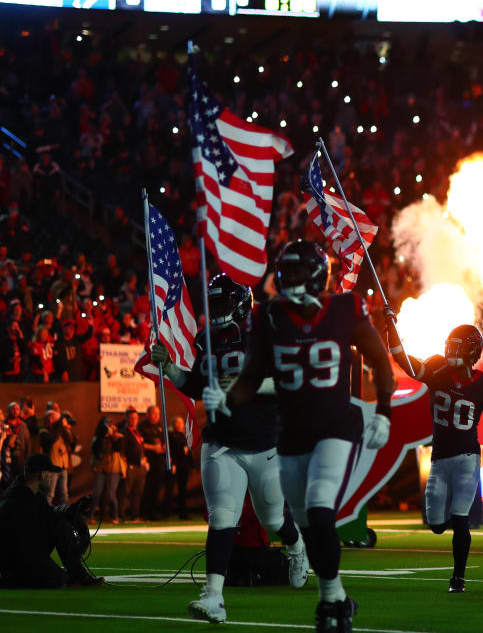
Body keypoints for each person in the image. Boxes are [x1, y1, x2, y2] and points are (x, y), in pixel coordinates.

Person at [221, 241, 396, 633]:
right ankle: (334, 599)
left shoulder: (344, 308)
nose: (291, 282)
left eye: (299, 274)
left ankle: (330, 602)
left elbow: (379, 358)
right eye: (287, 274)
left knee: (320, 509)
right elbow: (251, 377)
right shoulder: (269, 315)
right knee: (307, 526)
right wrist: (226, 398)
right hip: (293, 434)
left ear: (318, 276)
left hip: (336, 426)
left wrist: (384, 410)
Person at [153, 273, 309, 623]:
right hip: (222, 442)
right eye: (216, 304)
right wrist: (168, 367)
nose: (220, 310)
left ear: (241, 305)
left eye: (225, 303)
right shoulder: (205, 339)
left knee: (271, 518)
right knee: (222, 518)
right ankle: (214, 597)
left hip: (263, 442)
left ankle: (296, 546)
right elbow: (194, 384)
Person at [386, 320, 483, 593]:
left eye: (457, 346)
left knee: (460, 517)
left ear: (472, 352)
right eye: (450, 345)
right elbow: (402, 358)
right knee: (437, 525)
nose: (450, 350)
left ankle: (458, 578)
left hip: (466, 458)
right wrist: (391, 328)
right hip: (439, 460)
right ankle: (453, 530)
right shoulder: (436, 369)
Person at [0, 453, 102, 588]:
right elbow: (22, 543)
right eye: (49, 473)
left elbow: (51, 516)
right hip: (15, 558)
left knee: (58, 522)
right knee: (58, 580)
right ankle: (11, 579)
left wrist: (73, 509)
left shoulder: (33, 495)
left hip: (27, 549)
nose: (51, 477)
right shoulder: (17, 500)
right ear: (42, 475)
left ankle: (77, 575)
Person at [89, 416, 124, 524]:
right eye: (106, 425)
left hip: (114, 467)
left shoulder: (119, 436)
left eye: (110, 424)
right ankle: (90, 516)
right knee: (97, 493)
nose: (108, 427)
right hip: (101, 467)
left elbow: (119, 448)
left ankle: (115, 516)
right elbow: (99, 450)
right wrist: (103, 436)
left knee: (111, 493)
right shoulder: (98, 438)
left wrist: (112, 436)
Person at [138, 405, 168, 519]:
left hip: (159, 461)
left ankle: (153, 512)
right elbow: (139, 444)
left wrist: (164, 448)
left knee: (157, 487)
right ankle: (143, 512)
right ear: (147, 414)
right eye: (154, 413)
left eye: (158, 414)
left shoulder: (160, 426)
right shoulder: (141, 426)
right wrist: (152, 447)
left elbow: (164, 442)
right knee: (146, 487)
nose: (156, 416)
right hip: (147, 461)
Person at [119, 408, 147, 521]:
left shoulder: (138, 432)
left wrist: (145, 459)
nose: (134, 420)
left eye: (136, 418)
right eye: (131, 418)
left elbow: (141, 448)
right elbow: (122, 451)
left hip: (141, 467)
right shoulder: (123, 433)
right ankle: (121, 515)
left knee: (138, 492)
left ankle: (135, 515)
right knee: (125, 492)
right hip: (130, 467)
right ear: (126, 418)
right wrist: (127, 463)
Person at [167, 416, 193, 520]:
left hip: (184, 466)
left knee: (183, 490)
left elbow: (187, 451)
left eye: (181, 422)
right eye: (177, 422)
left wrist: (191, 465)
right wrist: (172, 464)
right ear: (173, 424)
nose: (179, 424)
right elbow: (172, 451)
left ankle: (183, 512)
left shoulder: (184, 435)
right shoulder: (170, 435)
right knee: (170, 489)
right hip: (175, 465)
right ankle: (167, 512)